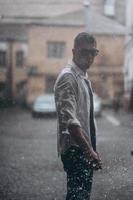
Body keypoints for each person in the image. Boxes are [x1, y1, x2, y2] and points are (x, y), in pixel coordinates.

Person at [54, 32, 102, 200]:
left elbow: (84, 118)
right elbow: (70, 122)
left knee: (81, 196)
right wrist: (89, 151)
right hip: (76, 150)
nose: (89, 56)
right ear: (74, 52)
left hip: (83, 149)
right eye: (84, 52)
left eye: (93, 52)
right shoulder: (68, 77)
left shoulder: (82, 76)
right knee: (78, 197)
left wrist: (91, 149)